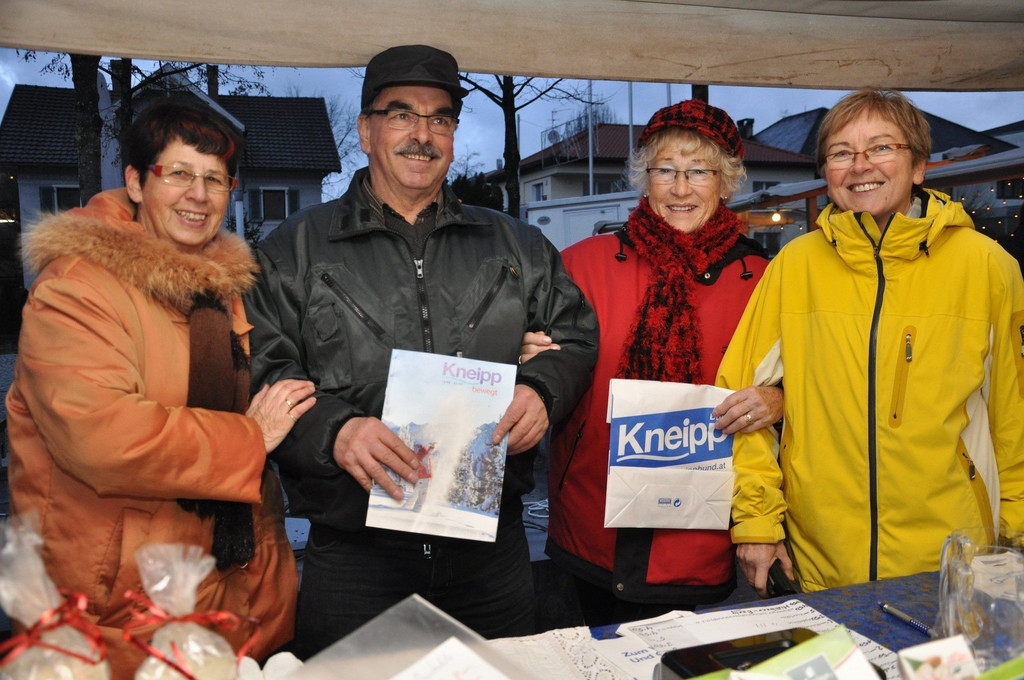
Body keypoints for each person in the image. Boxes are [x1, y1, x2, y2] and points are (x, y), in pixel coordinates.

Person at [243, 44, 598, 656]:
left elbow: (574, 337)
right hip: (355, 556)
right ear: (366, 131)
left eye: (440, 119)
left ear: (454, 137)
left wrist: (542, 391)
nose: (422, 135)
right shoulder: (294, 249)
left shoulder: (517, 244)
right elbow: (265, 368)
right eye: (402, 114)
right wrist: (336, 431)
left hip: (492, 551)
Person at [4, 97, 315, 676]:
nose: (198, 194)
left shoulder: (218, 286)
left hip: (229, 588)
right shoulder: (77, 287)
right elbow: (101, 437)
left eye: (215, 179)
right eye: (178, 173)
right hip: (120, 606)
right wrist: (250, 438)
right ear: (135, 182)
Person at [717, 88, 1024, 595]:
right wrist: (757, 523)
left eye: (881, 147)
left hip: (954, 563)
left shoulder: (988, 267)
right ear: (827, 173)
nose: (860, 166)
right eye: (841, 153)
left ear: (918, 166)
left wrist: (1014, 539)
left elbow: (1013, 419)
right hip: (820, 564)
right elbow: (740, 405)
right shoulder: (794, 267)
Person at [520, 100, 782, 626]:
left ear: (726, 183)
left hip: (697, 538)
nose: (680, 188)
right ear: (645, 179)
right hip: (589, 524)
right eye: (665, 170)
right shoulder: (582, 264)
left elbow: (812, 380)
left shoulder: (764, 279)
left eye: (699, 171)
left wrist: (780, 399)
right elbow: (537, 364)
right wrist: (530, 353)